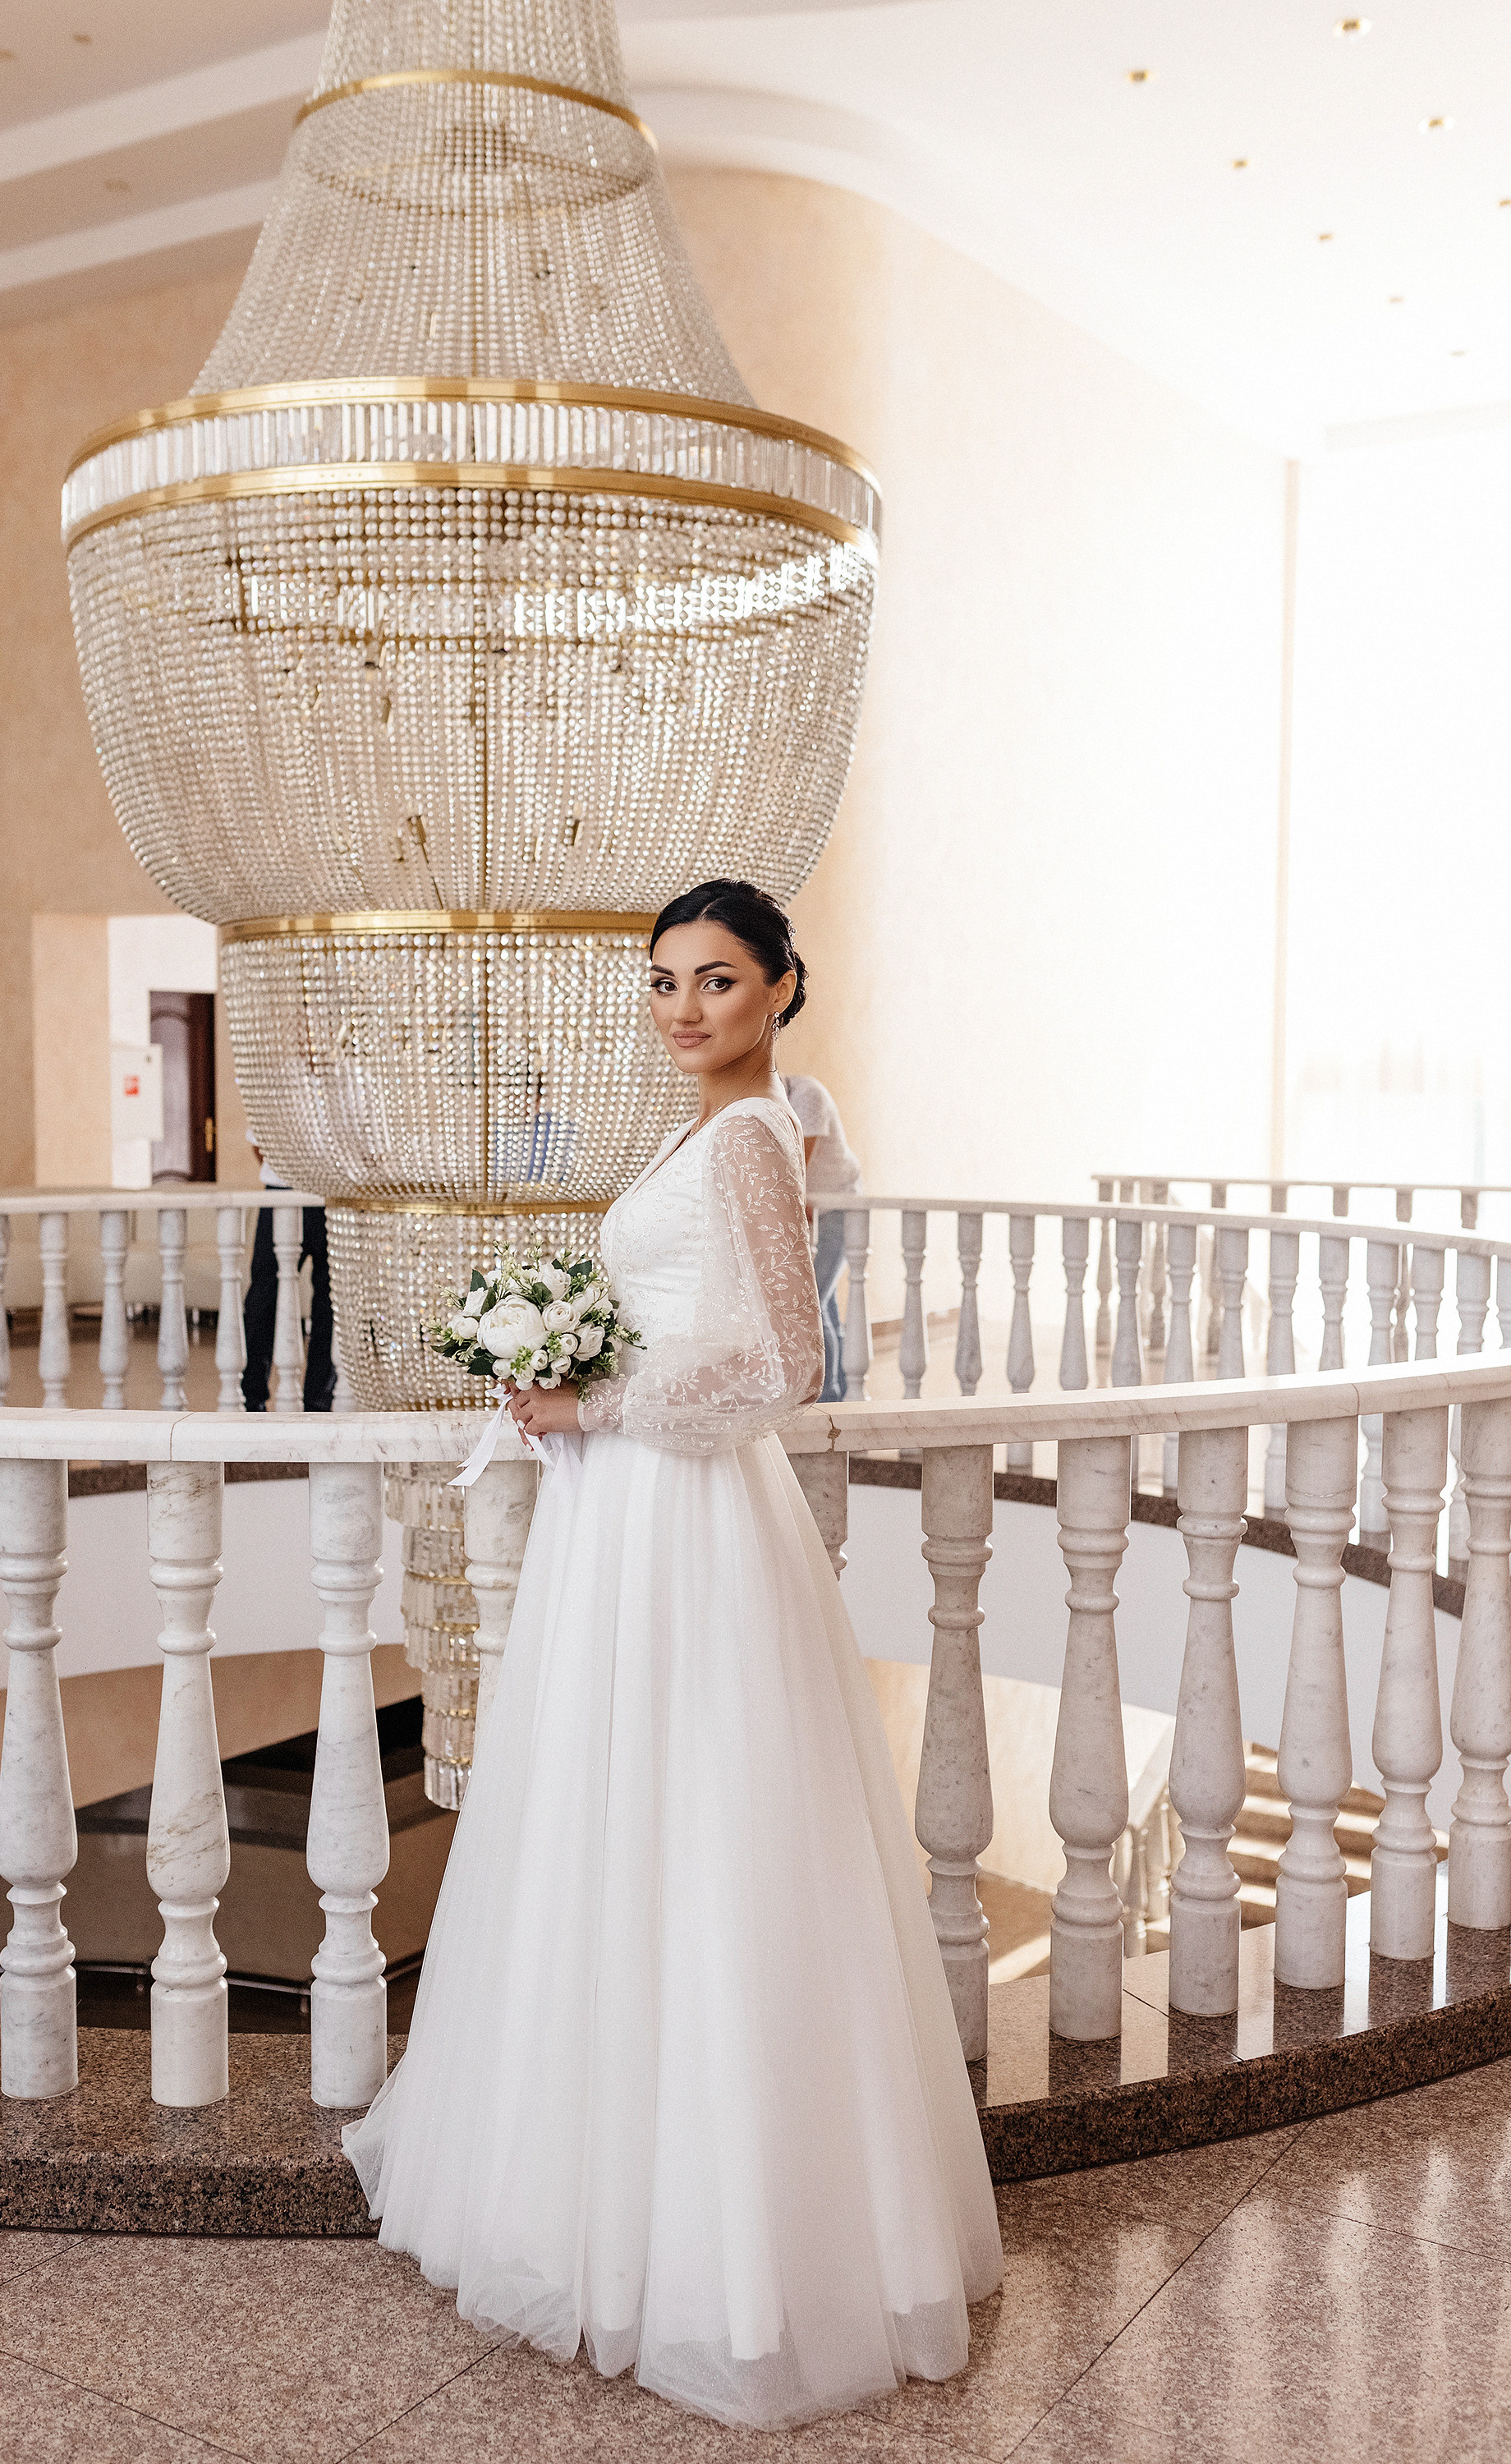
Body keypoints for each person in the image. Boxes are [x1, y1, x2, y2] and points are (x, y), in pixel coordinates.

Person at [343, 879, 1002, 2429]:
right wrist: (566, 1364)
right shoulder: (710, 1138)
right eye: (663, 983)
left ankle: (727, 2260)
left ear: (781, 987)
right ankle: (596, 2199)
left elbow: (786, 1357)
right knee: (613, 1831)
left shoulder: (758, 1139)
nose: (685, 1008)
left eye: (716, 980)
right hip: (630, 1520)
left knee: (707, 1836)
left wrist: (592, 1401)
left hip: (687, 1520)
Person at [241, 1134, 336, 1413]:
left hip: (336, 1194)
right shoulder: (276, 1089)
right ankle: (252, 1396)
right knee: (262, 1298)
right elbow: (259, 1142)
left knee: (332, 1304)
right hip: (282, 1191)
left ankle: (319, 1401)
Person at [782, 1070, 861, 1403]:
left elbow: (794, 1169)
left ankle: (826, 1400)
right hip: (814, 1211)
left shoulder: (807, 1094)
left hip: (840, 1210)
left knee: (811, 1305)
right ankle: (843, 1393)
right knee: (824, 1304)